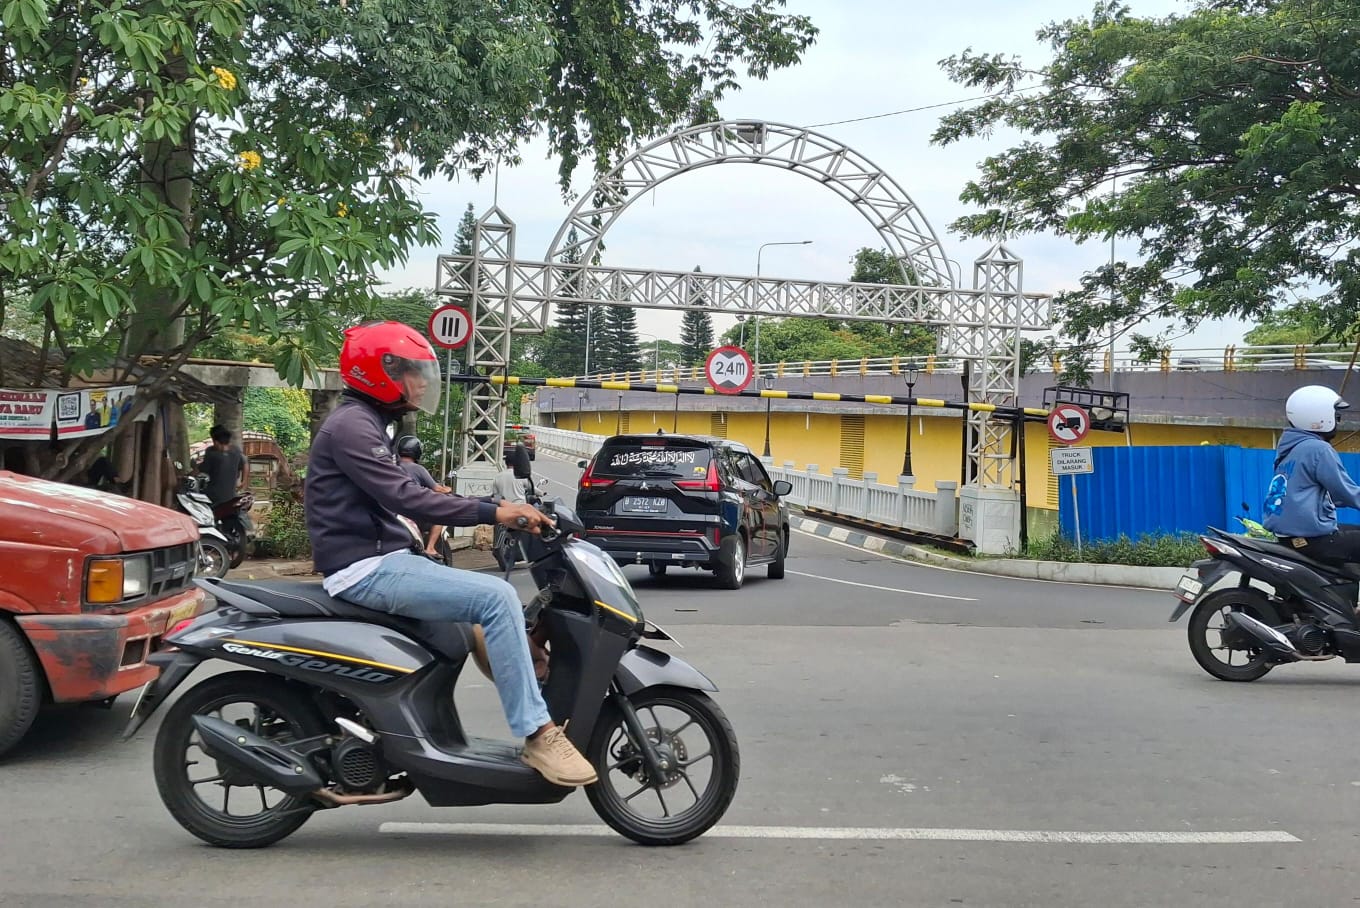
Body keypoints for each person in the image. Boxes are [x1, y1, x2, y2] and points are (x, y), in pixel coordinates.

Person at [305, 321, 596, 787]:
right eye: (411, 373)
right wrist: (494, 511)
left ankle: (520, 684)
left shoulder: (370, 423)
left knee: (483, 612)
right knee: (497, 598)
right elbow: (408, 498)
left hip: (386, 559)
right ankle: (537, 733)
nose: (421, 383)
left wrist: (500, 509)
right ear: (380, 373)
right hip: (365, 569)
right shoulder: (352, 427)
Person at [1263, 385, 1360, 565]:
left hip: (1289, 538)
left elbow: (1333, 496)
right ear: (1320, 416)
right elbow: (1346, 492)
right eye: (1336, 417)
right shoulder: (1318, 449)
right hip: (1312, 540)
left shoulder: (1290, 448)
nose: (1338, 422)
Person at [395, 434, 450, 558]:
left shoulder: (391, 467)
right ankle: (430, 548)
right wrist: (448, 489)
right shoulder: (418, 469)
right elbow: (437, 489)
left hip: (393, 511)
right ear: (417, 451)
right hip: (413, 512)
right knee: (440, 517)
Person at [198, 425, 248, 506]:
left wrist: (189, 473)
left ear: (216, 442)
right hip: (231, 496)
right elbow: (245, 463)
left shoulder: (211, 452)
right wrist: (244, 481)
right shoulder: (236, 450)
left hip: (214, 496)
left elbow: (202, 469)